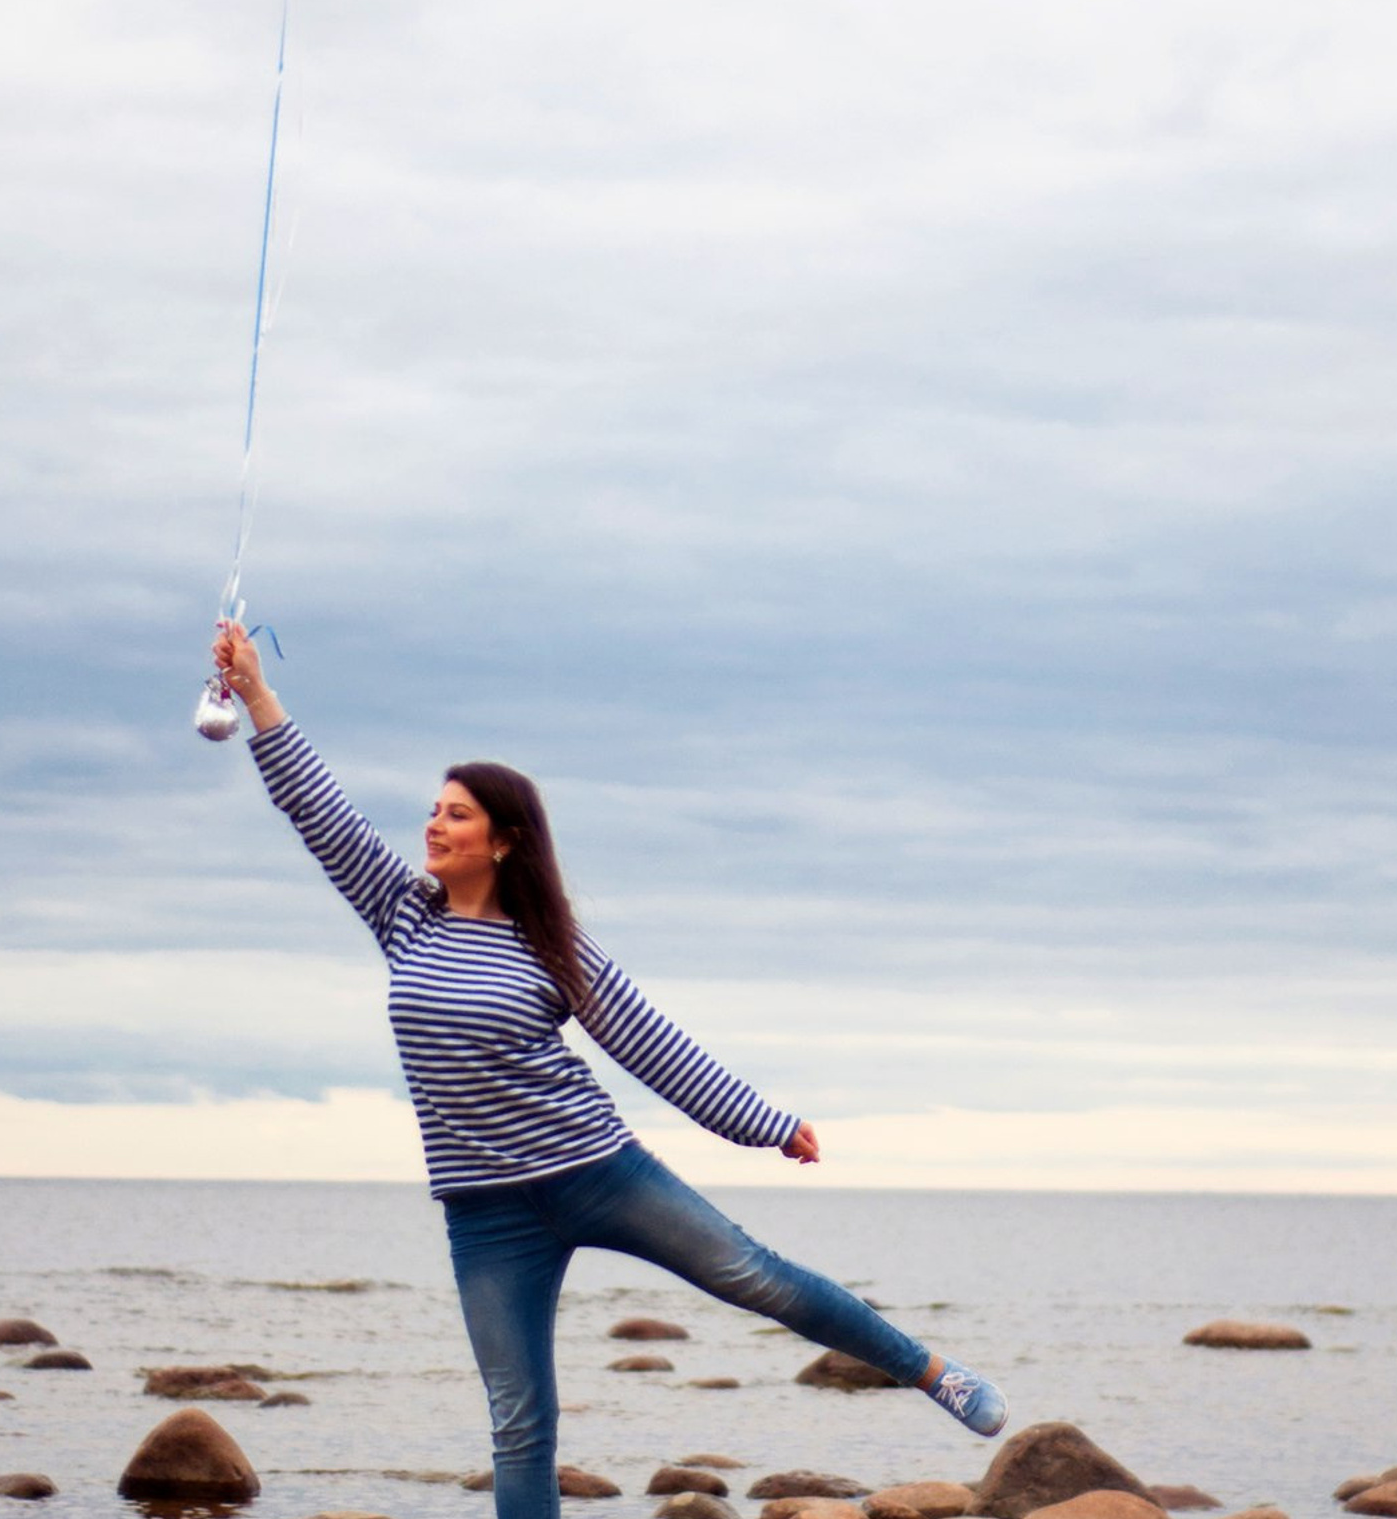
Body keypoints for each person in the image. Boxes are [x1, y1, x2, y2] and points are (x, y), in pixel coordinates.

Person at [213, 620, 1007, 1519]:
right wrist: (254, 692)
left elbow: (654, 1047)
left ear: (504, 840)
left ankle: (932, 1372)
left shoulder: (552, 946)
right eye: (433, 809)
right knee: (519, 1425)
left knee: (760, 1279)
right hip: (485, 1212)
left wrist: (767, 1124)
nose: (433, 824)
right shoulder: (405, 915)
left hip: (598, 1173)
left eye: (456, 813)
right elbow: (318, 809)